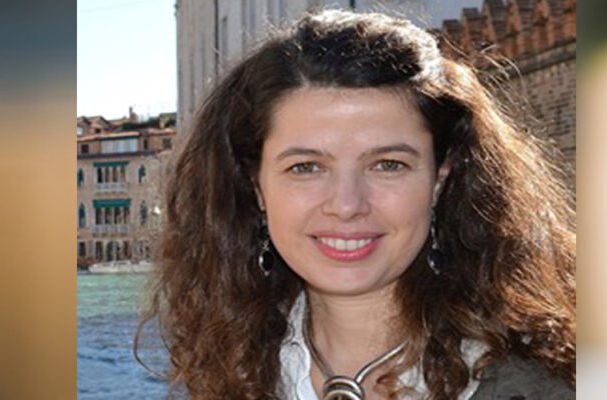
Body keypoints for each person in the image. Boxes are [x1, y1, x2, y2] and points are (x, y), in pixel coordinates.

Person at [137, 9, 576, 400]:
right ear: (256, 186)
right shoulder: (218, 380)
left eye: (388, 164)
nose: (347, 205)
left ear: (440, 180)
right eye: (306, 167)